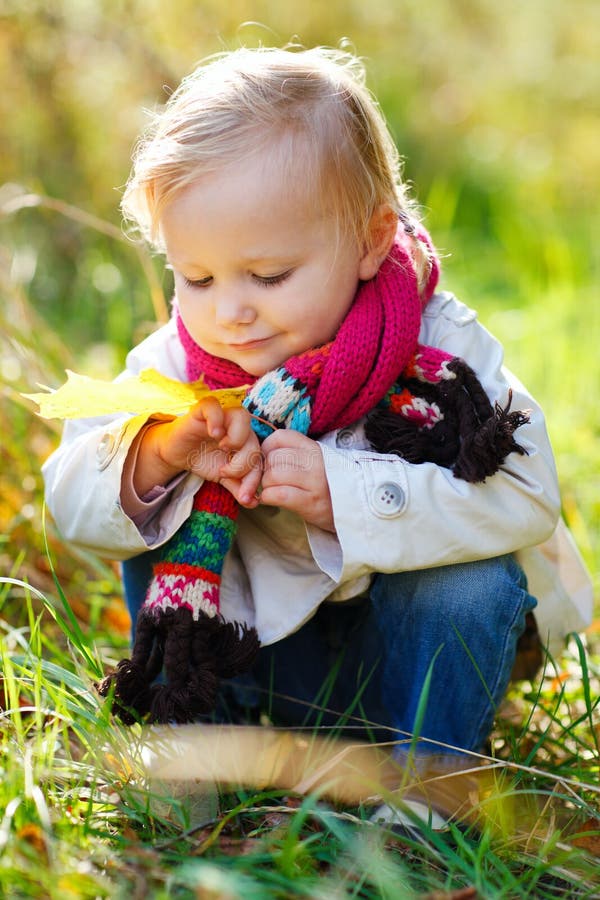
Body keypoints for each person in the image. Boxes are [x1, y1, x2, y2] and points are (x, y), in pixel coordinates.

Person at [43, 46, 592, 778]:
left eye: (269, 275)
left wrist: (347, 491)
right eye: (196, 276)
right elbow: (71, 502)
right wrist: (158, 456)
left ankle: (431, 786)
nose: (230, 312)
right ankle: (194, 760)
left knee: (471, 584)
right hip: (250, 663)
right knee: (157, 526)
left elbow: (529, 496)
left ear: (368, 241)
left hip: (404, 676)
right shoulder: (179, 364)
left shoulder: (437, 349)